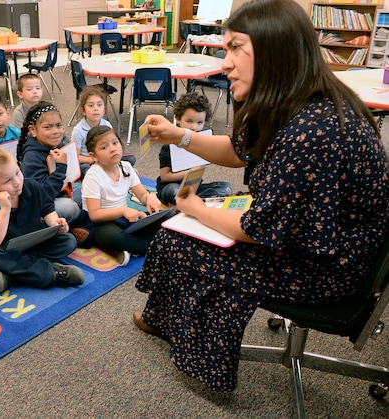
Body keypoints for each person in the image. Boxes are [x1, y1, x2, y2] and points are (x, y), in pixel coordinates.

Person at [134, 0, 389, 393]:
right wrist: (178, 135)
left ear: (274, 51)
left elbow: (253, 230)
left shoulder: (312, 133)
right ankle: (166, 319)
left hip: (326, 269)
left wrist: (197, 208)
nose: (224, 62)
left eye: (237, 48)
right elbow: (240, 152)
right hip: (331, 246)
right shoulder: (300, 102)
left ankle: (179, 334)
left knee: (177, 233)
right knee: (185, 228)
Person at [0, 147, 84, 293]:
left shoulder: (30, 185)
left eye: (18, 173)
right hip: (8, 248)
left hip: (34, 240)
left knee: (68, 240)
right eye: (7, 180)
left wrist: (55, 223)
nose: (17, 182)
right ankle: (52, 274)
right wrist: (5, 209)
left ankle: (13, 274)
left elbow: (47, 208)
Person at [81, 126, 164, 263]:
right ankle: (153, 247)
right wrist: (122, 210)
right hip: (101, 223)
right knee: (111, 236)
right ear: (93, 156)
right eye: (104, 147)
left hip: (125, 219)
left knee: (165, 217)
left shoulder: (126, 167)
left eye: (115, 143)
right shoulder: (93, 176)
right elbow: (94, 215)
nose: (113, 149)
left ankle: (130, 248)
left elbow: (142, 195)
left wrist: (149, 198)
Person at [155, 92, 233, 205]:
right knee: (174, 191)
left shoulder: (201, 143)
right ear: (178, 118)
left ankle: (192, 203)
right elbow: (165, 176)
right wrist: (189, 172)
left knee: (226, 188)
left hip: (194, 187)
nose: (194, 127)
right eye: (189, 121)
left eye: (200, 122)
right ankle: (191, 203)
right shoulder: (169, 146)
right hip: (170, 186)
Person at [17, 101, 82, 225]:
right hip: (42, 205)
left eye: (58, 125)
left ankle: (79, 224)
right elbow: (43, 194)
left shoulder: (60, 143)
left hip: (64, 190)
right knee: (70, 208)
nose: (55, 131)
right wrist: (61, 167)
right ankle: (65, 227)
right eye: (48, 127)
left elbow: (73, 168)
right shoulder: (31, 156)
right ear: (33, 130)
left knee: (89, 192)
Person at [71, 85, 114, 174]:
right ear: (83, 111)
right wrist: (91, 159)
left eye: (99, 105)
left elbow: (112, 145)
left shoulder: (107, 125)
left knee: (130, 159)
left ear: (104, 109)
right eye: (91, 105)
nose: (96, 108)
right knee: (88, 171)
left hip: (104, 158)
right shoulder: (78, 130)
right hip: (87, 162)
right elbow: (75, 156)